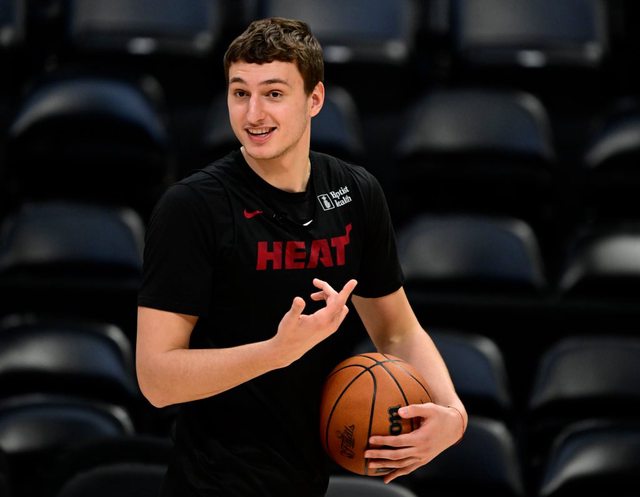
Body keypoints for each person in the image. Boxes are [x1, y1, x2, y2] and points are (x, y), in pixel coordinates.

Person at [136, 16, 467, 497]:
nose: (253, 114)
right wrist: (276, 352)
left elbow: (397, 331)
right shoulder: (192, 207)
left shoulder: (355, 193)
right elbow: (156, 379)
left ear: (314, 99)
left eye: (273, 93)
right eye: (239, 92)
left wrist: (454, 415)